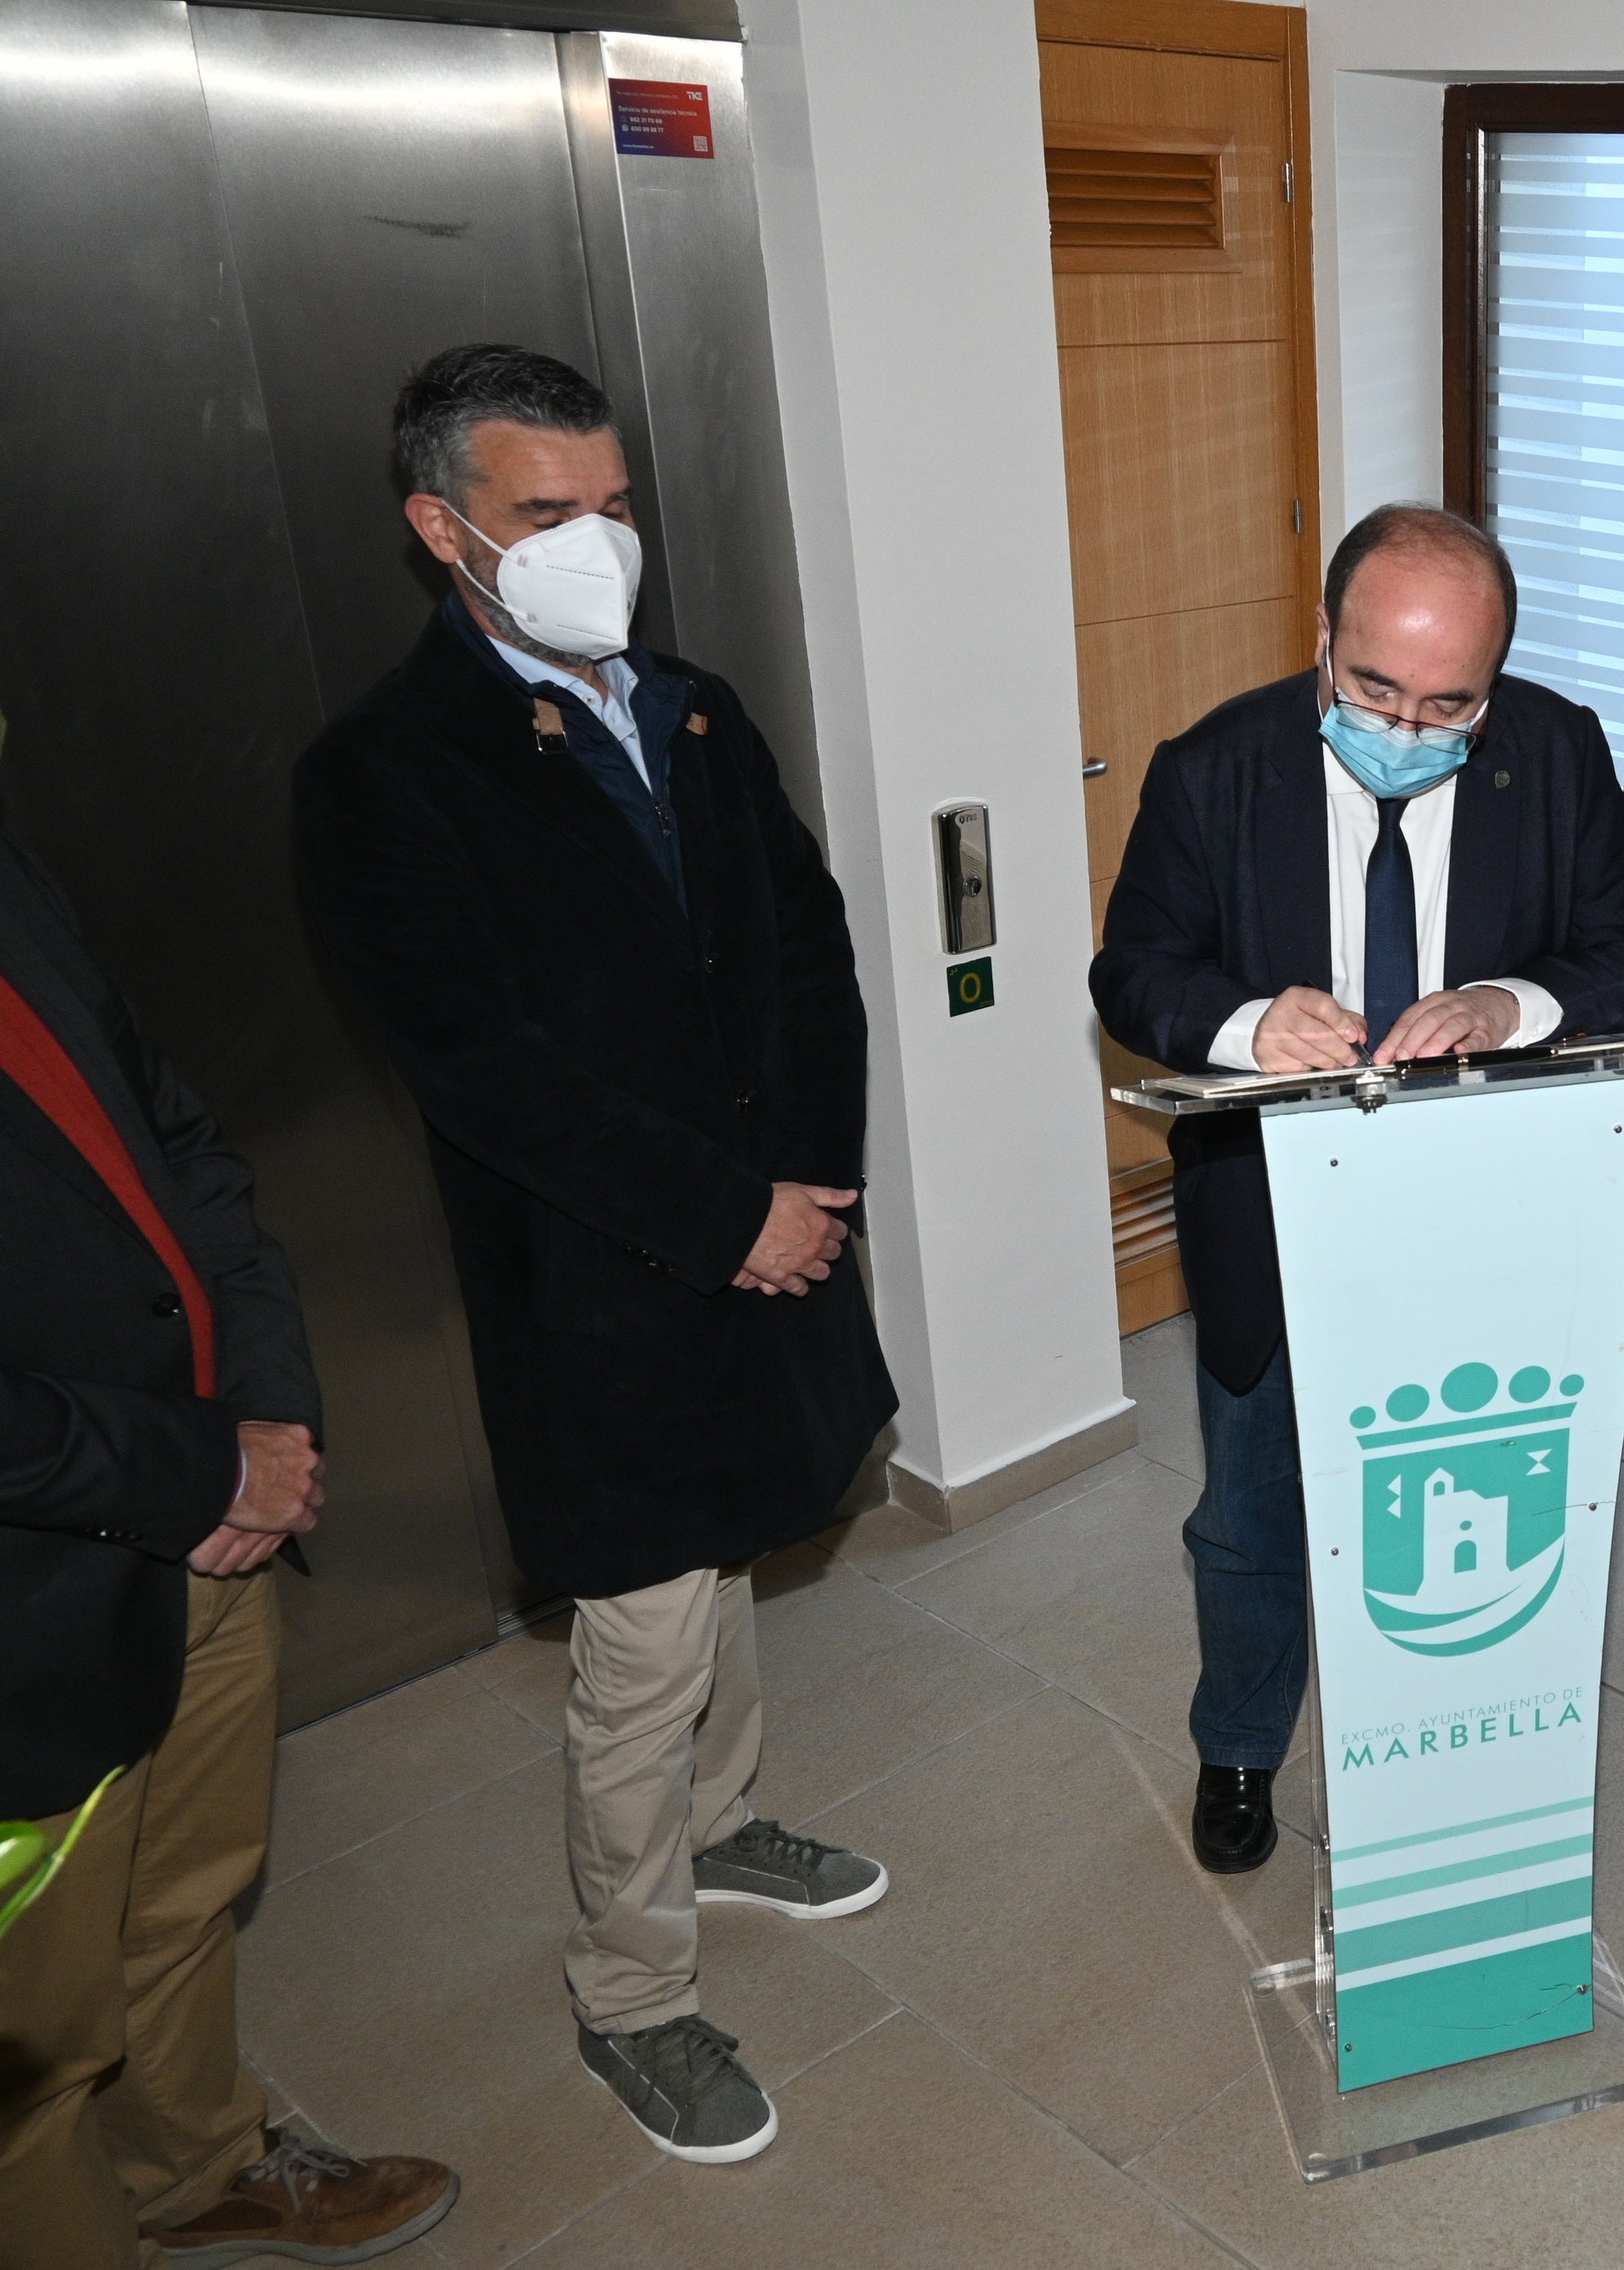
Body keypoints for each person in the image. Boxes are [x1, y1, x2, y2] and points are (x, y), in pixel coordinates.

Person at [294, 345, 896, 2167]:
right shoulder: (383, 774)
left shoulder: (693, 708)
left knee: (727, 1561)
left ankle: (723, 1826)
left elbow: (806, 949)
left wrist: (804, 1192)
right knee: (642, 1631)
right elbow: (484, 1073)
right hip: (607, 1282)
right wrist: (729, 1221)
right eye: (548, 515)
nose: (597, 545)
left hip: (770, 1239)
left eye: (613, 508)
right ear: (441, 529)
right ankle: (631, 1994)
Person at [1091, 505, 1624, 1876]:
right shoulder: (1214, 769)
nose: (1407, 728)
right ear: (1322, 642)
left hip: (1487, 1215)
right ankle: (1239, 1746)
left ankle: (1464, 1745)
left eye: (1450, 702)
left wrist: (1505, 1000)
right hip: (1276, 1210)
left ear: (1500, 675)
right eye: (1372, 690)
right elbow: (1133, 973)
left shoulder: (1560, 751)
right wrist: (1243, 1023)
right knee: (1250, 1513)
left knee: (1462, 1501)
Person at [0, 828, 457, 2268]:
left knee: (187, 1891)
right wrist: (206, 1466)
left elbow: (175, 1138)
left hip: (203, 1538)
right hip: (32, 1607)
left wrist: (267, 1402)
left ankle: (192, 2167)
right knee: (24, 2054)